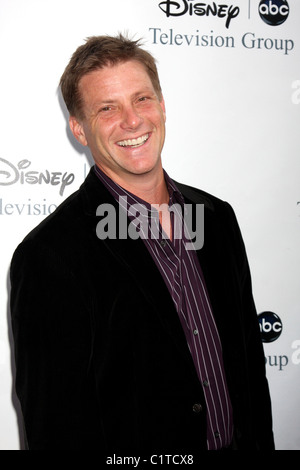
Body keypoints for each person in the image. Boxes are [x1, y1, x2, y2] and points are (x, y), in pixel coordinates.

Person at [10, 34, 275, 453]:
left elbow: (249, 368)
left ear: (163, 106)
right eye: (107, 108)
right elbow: (57, 429)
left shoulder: (216, 217)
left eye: (142, 99)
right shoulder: (50, 256)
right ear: (79, 129)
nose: (132, 121)